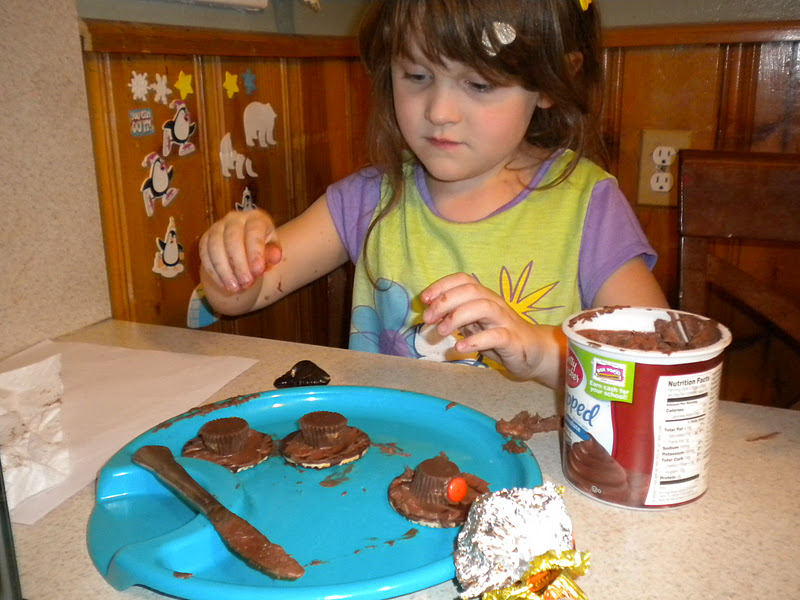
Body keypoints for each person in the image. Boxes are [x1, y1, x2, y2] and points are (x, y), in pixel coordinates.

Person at [198, 0, 668, 389]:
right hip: (387, 456)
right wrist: (232, 260)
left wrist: (543, 352)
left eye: (479, 84)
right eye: (417, 76)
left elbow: (655, 362)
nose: (440, 111)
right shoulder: (367, 199)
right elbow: (238, 299)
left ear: (551, 82)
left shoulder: (589, 205)